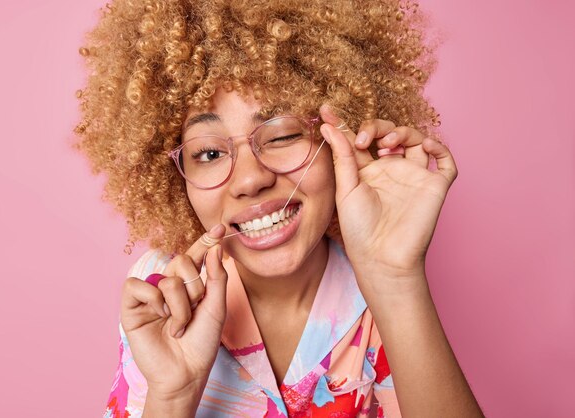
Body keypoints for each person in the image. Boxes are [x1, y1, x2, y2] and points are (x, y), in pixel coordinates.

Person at [74, 0, 484, 416]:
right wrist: (173, 395)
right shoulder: (161, 297)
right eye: (210, 153)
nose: (251, 179)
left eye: (282, 135)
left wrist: (397, 280)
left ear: (338, 137)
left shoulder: (385, 295)